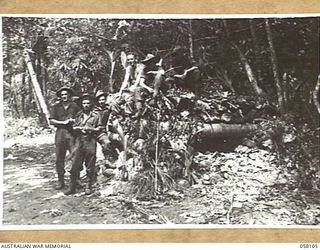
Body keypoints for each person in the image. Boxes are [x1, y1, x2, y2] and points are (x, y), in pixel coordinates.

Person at [64, 94, 101, 195]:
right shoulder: (79, 115)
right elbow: (74, 127)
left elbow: (99, 128)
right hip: (79, 140)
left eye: (88, 103)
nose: (86, 105)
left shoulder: (96, 115)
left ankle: (88, 186)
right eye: (84, 103)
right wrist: (76, 128)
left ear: (91, 104)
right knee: (75, 163)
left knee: (90, 164)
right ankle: (72, 187)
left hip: (90, 140)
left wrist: (89, 129)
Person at [49, 86, 81, 190]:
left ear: (69, 95)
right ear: (60, 96)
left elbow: (80, 118)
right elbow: (51, 121)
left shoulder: (74, 106)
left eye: (66, 94)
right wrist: (63, 122)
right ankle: (61, 181)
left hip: (72, 133)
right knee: (59, 157)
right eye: (62, 95)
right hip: (60, 133)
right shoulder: (56, 107)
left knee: (75, 156)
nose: (64, 96)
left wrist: (74, 121)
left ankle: (76, 179)